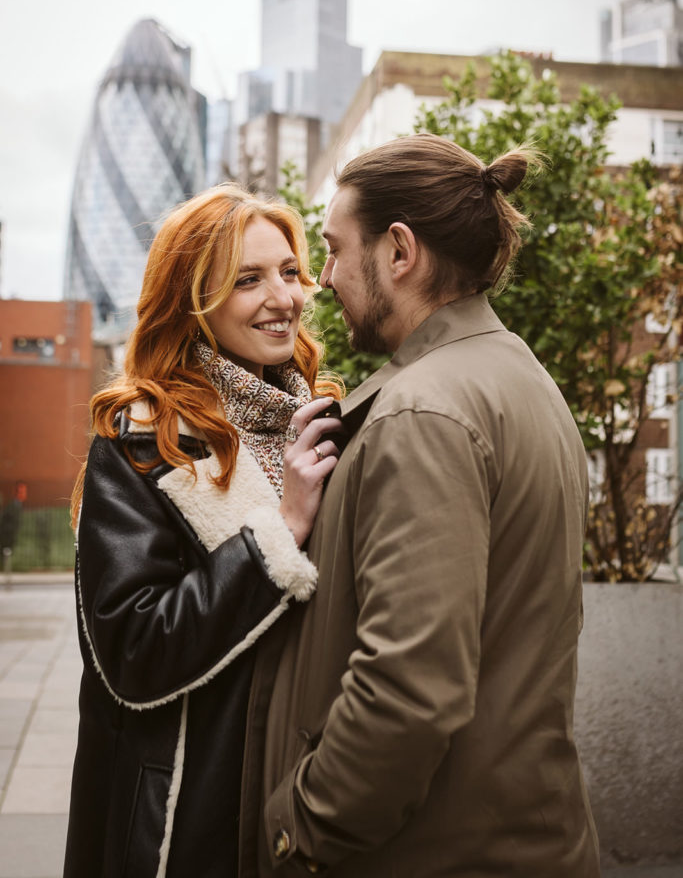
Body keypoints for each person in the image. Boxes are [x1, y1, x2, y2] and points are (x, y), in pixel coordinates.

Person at [241, 134, 600, 877]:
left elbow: (408, 690)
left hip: (429, 854)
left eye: (335, 250)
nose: (323, 280)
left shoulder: (422, 413)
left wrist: (295, 827)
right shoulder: (515, 377)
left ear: (398, 251)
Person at [63, 184, 342, 878]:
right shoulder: (139, 442)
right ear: (193, 301)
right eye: (247, 280)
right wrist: (280, 533)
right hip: (193, 811)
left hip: (305, 794)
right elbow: (131, 648)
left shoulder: (316, 417)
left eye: (286, 271)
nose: (281, 298)